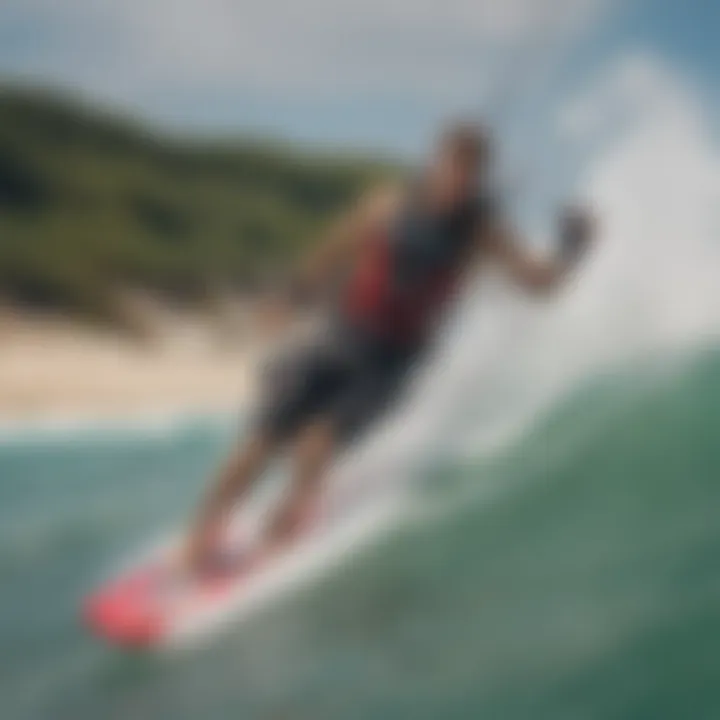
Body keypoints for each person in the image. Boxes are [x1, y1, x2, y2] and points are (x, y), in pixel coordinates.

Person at [184, 121, 595, 572]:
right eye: (449, 167)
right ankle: (201, 535)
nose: (455, 181)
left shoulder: (481, 231)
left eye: (467, 173)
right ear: (436, 161)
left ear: (478, 177)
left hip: (392, 359)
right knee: (261, 437)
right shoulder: (389, 201)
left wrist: (571, 250)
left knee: (316, 443)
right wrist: (295, 293)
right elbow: (336, 247)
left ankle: (282, 529)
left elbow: (536, 285)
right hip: (339, 332)